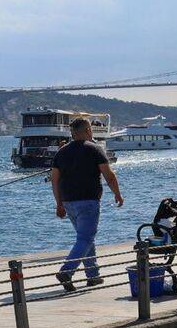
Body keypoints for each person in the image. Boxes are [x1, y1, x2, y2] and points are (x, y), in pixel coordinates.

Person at [50, 117, 123, 292]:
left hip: (68, 202)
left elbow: (54, 180)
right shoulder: (95, 149)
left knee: (85, 237)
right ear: (88, 131)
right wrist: (118, 194)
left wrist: (59, 204)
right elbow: (109, 175)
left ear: (72, 133)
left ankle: (93, 276)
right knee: (85, 238)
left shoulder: (61, 152)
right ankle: (66, 271)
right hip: (88, 201)